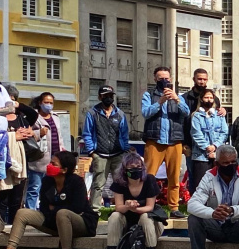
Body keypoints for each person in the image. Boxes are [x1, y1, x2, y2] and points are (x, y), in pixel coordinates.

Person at [0, 151, 98, 249]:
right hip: (54, 221)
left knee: (63, 213)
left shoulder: (76, 181)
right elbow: (44, 207)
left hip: (81, 223)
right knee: (22, 213)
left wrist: (55, 208)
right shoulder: (47, 181)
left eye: (54, 164)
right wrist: (56, 208)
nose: (49, 166)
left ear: (64, 170)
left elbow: (78, 207)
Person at [141, 66, 189, 219]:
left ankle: (174, 208)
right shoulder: (149, 94)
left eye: (167, 78)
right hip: (155, 141)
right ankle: (148, 205)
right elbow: (145, 112)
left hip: (174, 141)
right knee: (149, 176)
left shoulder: (178, 96)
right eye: (161, 78)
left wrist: (176, 99)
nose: (164, 80)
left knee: (174, 177)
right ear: (155, 79)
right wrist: (160, 102)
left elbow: (186, 112)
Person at [105, 152, 162, 249]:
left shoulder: (149, 180)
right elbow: (119, 207)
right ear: (125, 170)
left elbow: (150, 207)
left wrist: (135, 209)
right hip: (127, 220)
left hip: (149, 220)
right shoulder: (119, 183)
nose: (135, 169)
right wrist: (127, 206)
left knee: (145, 217)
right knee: (115, 216)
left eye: (138, 166)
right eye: (131, 167)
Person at [83, 85, 130, 208]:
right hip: (100, 154)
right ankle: (94, 210)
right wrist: (92, 151)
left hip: (118, 154)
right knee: (98, 184)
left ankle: (123, 208)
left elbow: (124, 133)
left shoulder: (120, 114)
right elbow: (87, 133)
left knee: (120, 184)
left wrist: (125, 149)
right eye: (105, 96)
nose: (108, 98)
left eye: (110, 96)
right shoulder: (92, 113)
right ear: (100, 97)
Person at [0, 83, 36, 224]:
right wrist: (13, 136)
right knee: (3, 197)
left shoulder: (21, 118)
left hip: (20, 162)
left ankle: (15, 226)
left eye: (12, 99)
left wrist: (17, 104)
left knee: (16, 198)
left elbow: (34, 114)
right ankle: (0, 226)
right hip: (3, 162)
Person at [27, 92, 67, 210]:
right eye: (46, 102)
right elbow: (27, 134)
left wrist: (62, 150)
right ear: (40, 103)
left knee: (50, 187)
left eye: (51, 103)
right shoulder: (33, 116)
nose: (49, 105)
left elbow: (59, 136)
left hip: (55, 158)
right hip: (39, 158)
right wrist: (39, 133)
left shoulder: (55, 117)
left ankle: (46, 211)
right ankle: (30, 213)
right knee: (35, 187)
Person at [189, 88, 229, 192]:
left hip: (217, 155)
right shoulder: (196, 116)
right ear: (201, 99)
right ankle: (200, 206)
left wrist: (215, 146)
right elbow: (196, 133)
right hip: (200, 156)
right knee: (201, 183)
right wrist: (207, 147)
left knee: (218, 183)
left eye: (211, 97)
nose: (209, 100)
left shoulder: (219, 115)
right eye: (206, 97)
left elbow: (224, 132)